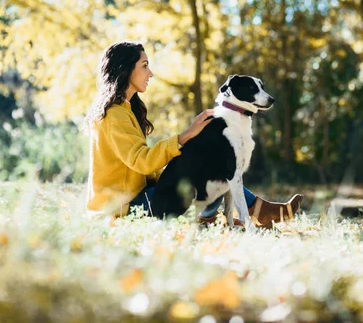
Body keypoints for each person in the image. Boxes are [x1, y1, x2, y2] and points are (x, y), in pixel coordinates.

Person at [85, 41, 303, 227]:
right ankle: (247, 212)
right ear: (125, 69)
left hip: (136, 197)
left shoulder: (126, 109)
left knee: (208, 164)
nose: (150, 73)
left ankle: (227, 214)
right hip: (123, 207)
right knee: (211, 168)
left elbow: (136, 170)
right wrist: (184, 137)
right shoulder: (115, 115)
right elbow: (141, 162)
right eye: (144, 66)